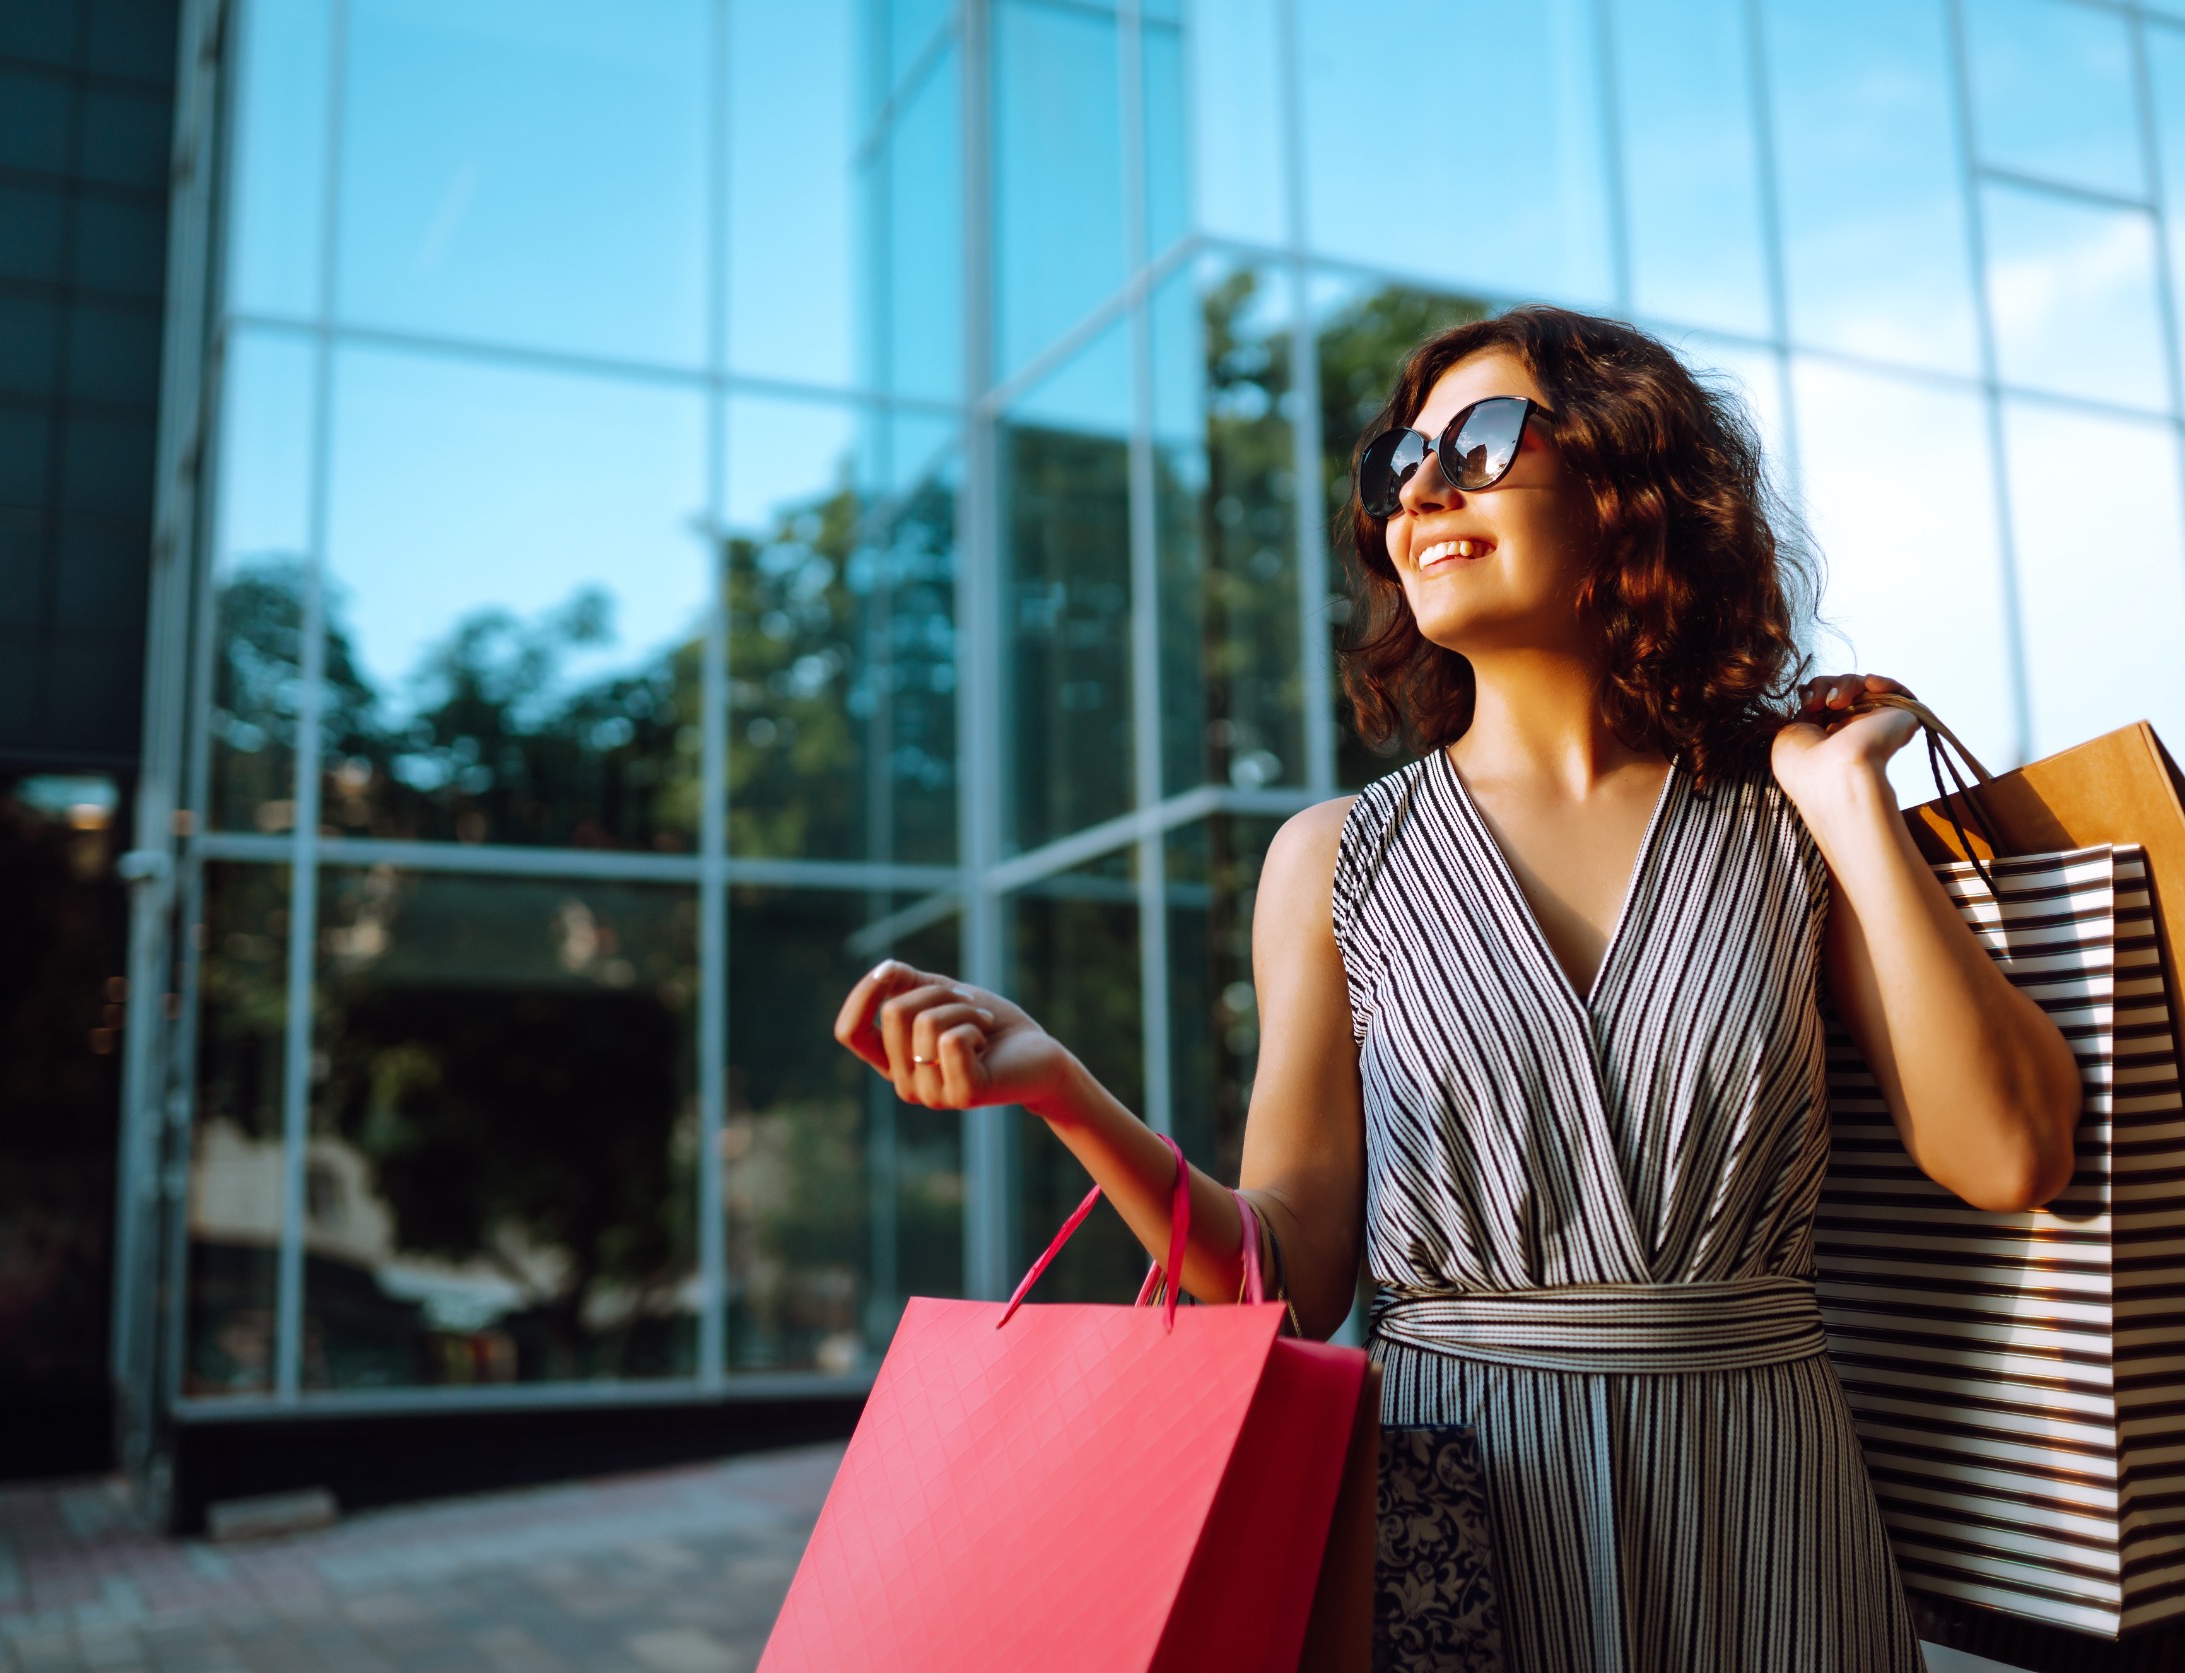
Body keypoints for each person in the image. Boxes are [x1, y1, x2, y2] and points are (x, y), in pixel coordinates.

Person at [832, 305, 2081, 1672]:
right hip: (1458, 1523)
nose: (1420, 489)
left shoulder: (1788, 820)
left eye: (1482, 443)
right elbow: (1286, 1284)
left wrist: (1849, 804)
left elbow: (2012, 1153)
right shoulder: (1336, 861)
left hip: (1770, 1505)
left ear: (1630, 481)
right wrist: (1060, 1089)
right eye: (1396, 463)